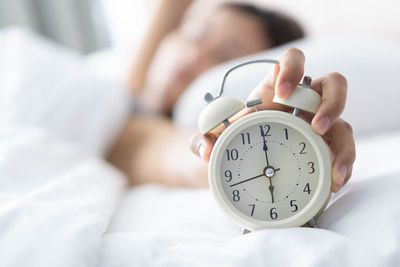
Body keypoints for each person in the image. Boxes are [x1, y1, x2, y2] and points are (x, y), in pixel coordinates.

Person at [107, 0, 355, 193]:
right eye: (196, 34)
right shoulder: (126, 82)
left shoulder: (131, 126)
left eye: (224, 56)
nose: (194, 55)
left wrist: (242, 145)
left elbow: (158, 151)